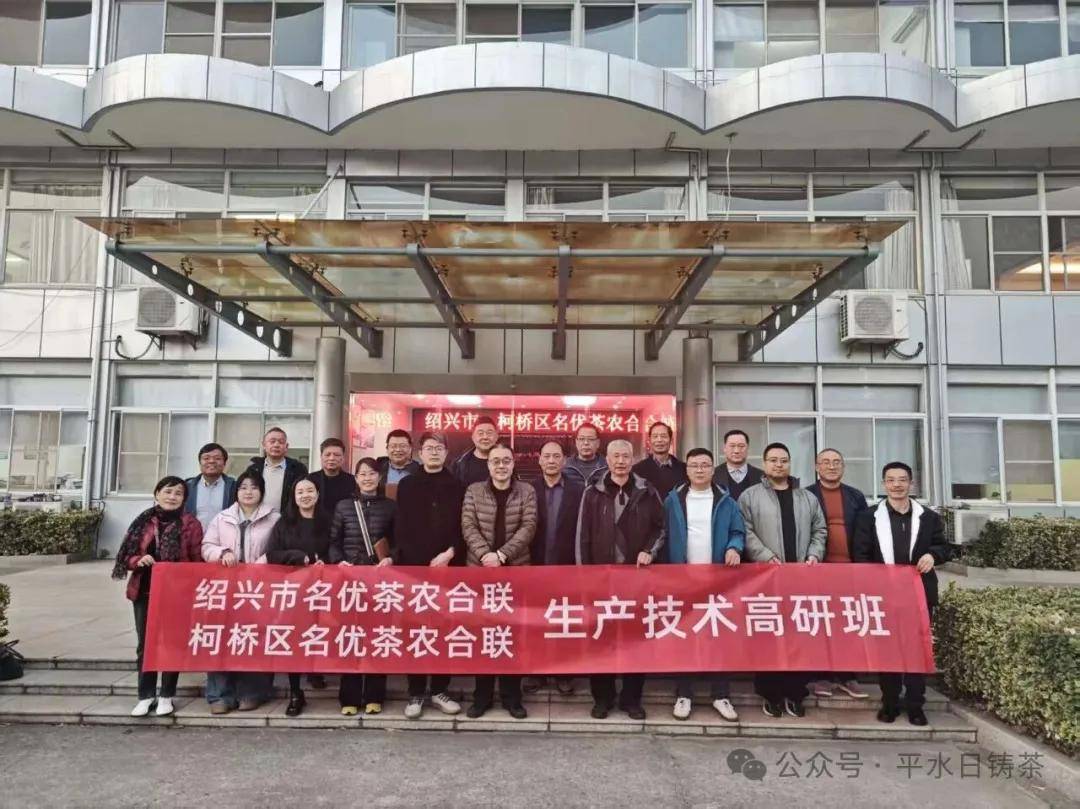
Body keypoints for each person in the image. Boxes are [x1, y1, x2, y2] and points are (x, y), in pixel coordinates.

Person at [853, 462, 949, 727]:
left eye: (902, 479)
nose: (897, 485)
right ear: (884, 484)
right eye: (891, 480)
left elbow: (944, 547)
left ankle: (916, 704)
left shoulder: (928, 517)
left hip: (919, 595)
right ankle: (890, 702)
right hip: (884, 596)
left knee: (916, 650)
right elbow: (860, 555)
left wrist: (933, 555)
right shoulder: (869, 517)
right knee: (888, 651)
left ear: (911, 483)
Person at [576, 439, 665, 721]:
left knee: (635, 640)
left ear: (632, 458)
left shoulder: (647, 490)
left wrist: (649, 550)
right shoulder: (593, 492)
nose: (620, 461)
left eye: (625, 456)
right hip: (601, 580)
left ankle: (631, 699)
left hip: (636, 580)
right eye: (615, 456)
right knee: (601, 638)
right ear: (607, 459)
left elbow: (661, 528)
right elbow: (582, 536)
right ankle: (602, 698)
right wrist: (585, 576)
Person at [740, 442, 826, 719]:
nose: (779, 465)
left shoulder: (806, 498)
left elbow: (820, 529)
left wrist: (813, 554)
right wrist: (765, 556)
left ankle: (796, 693)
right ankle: (771, 694)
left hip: (801, 579)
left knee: (799, 637)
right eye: (773, 460)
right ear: (764, 464)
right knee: (768, 636)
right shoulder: (750, 496)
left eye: (784, 460)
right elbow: (745, 530)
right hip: (766, 579)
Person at [112, 476, 204, 718]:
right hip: (144, 591)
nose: (172, 497)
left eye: (178, 493)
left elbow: (197, 560)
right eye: (168, 491)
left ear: (184, 499)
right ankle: (145, 695)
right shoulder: (143, 521)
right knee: (145, 645)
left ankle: (166, 695)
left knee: (172, 643)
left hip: (176, 593)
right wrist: (138, 560)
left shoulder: (190, 524)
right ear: (157, 494)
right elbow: (126, 556)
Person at [663, 448, 743, 723]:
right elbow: (662, 533)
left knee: (718, 636)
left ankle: (721, 695)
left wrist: (734, 547)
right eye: (694, 465)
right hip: (683, 580)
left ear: (712, 469)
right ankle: (683, 693)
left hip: (718, 580)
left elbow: (738, 531)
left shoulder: (726, 501)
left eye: (705, 465)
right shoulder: (673, 500)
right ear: (686, 470)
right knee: (683, 636)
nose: (699, 470)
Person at [461, 444, 537, 719]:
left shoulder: (527, 491)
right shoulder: (474, 491)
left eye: (506, 461)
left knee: (512, 636)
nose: (501, 466)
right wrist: (486, 555)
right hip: (480, 572)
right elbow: (468, 525)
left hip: (515, 571)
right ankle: (481, 698)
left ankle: (512, 698)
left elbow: (529, 526)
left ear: (513, 464)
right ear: (488, 465)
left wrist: (502, 555)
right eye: (496, 461)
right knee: (483, 636)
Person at [395, 431, 466, 719]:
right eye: (429, 448)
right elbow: (401, 527)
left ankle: (439, 689)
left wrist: (450, 553)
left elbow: (463, 526)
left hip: (448, 568)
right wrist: (412, 564)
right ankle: (415, 692)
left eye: (439, 448)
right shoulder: (407, 485)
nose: (434, 452)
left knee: (444, 629)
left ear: (446, 453)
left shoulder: (458, 485)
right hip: (414, 570)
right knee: (416, 630)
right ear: (420, 453)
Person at [201, 470, 281, 714]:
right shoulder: (222, 518)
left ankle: (252, 693)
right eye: (243, 487)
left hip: (259, 588)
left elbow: (280, 547)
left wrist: (262, 563)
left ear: (262, 492)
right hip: (226, 587)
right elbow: (207, 546)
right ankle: (219, 695)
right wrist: (222, 553)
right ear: (236, 492)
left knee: (255, 637)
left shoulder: (274, 518)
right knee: (222, 637)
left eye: (254, 487)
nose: (248, 492)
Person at [329, 457, 396, 716]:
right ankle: (349, 697)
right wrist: (339, 561)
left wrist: (391, 558)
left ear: (379, 477)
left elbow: (399, 540)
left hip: (379, 581)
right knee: (350, 637)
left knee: (378, 636)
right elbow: (334, 541)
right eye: (362, 474)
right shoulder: (344, 506)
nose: (367, 478)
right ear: (355, 478)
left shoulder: (390, 507)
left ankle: (375, 695)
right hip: (350, 581)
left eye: (372, 473)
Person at [805, 448, 870, 701]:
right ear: (816, 467)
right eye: (826, 462)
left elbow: (865, 532)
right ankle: (822, 676)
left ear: (843, 467)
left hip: (850, 570)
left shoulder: (855, 496)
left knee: (849, 623)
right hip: (818, 568)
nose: (831, 467)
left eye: (836, 462)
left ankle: (847, 676)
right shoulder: (806, 495)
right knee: (821, 622)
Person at [265, 475, 330, 717]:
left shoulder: (328, 521)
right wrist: (299, 557)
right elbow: (272, 554)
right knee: (294, 637)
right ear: (293, 497)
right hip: (293, 589)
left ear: (318, 494)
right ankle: (295, 692)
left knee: (319, 633)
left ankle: (315, 670)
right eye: (300, 492)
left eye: (310, 490)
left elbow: (336, 547)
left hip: (323, 588)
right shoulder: (284, 523)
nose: (305, 495)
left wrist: (327, 561)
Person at [524, 440, 584, 696]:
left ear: (564, 460)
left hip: (566, 566)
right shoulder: (528, 490)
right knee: (535, 622)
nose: (551, 461)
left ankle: (564, 673)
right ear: (539, 460)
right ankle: (536, 672)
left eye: (556, 456)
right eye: (546, 456)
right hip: (534, 565)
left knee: (563, 622)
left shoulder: (579, 490)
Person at [245, 427, 308, 514]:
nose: (276, 445)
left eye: (281, 442)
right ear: (264, 445)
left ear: (286, 446)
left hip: (287, 520)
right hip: (257, 518)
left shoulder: (298, 469)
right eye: (272, 441)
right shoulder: (253, 469)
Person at [184, 442, 237, 530]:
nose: (211, 461)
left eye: (217, 458)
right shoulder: (187, 487)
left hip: (223, 537)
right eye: (206, 458)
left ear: (224, 463)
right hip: (195, 538)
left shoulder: (234, 487)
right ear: (200, 462)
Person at [632, 422, 687, 500]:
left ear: (671, 440)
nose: (659, 440)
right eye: (655, 436)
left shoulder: (684, 469)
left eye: (663, 436)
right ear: (649, 441)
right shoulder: (637, 470)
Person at [308, 438, 356, 522]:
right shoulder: (310, 480)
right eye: (327, 454)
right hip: (316, 525)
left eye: (336, 455)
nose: (331, 458)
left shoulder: (352, 481)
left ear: (343, 458)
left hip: (344, 526)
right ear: (321, 457)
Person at [712, 429, 764, 500]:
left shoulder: (762, 476)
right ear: (724, 448)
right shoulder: (713, 475)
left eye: (741, 446)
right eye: (732, 446)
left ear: (748, 448)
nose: (736, 451)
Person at [452, 416, 500, 487]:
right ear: (473, 437)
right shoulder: (459, 464)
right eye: (480, 433)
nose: (485, 437)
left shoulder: (507, 463)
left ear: (496, 436)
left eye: (489, 433)